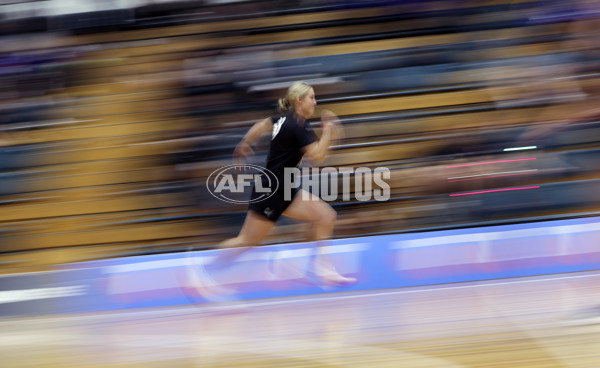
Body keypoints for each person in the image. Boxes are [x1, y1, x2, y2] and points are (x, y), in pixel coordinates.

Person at [187, 81, 357, 301]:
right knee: (246, 241)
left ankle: (324, 270)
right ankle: (202, 268)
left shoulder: (283, 119)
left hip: (285, 188)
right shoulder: (298, 126)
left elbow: (262, 124)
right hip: (272, 190)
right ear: (299, 100)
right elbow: (318, 156)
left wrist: (244, 143)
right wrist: (328, 131)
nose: (315, 102)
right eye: (312, 98)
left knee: (326, 216)